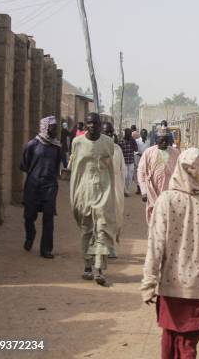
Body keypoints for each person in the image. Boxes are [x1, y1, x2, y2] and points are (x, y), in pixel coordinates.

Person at [141, 148, 199, 359]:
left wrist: (149, 283)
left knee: (169, 339)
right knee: (188, 344)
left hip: (170, 283)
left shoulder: (166, 200)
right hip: (196, 286)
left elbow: (155, 245)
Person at [69, 113, 117, 285]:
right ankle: (87, 266)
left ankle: (99, 269)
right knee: (87, 230)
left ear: (99, 124)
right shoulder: (77, 142)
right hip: (83, 191)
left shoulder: (108, 143)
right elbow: (74, 167)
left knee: (101, 229)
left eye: (95, 123)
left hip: (103, 190)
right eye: (89, 123)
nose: (92, 126)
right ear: (86, 125)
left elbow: (110, 166)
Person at [20, 116, 62, 258]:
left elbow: (57, 167)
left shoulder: (57, 147)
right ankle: (30, 235)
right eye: (52, 127)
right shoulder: (32, 145)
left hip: (49, 186)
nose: (55, 130)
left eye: (56, 127)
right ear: (45, 127)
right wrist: (36, 174)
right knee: (29, 216)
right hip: (33, 185)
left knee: (48, 218)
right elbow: (24, 165)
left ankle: (46, 249)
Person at [138, 128, 180, 224]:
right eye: (162, 140)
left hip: (170, 191)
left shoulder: (175, 152)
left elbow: (181, 172)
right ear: (156, 140)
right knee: (154, 216)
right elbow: (141, 171)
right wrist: (144, 191)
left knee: (170, 217)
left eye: (166, 140)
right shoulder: (148, 152)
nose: (164, 143)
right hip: (153, 190)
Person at [102, 122, 126, 259]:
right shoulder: (97, 148)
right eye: (107, 133)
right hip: (101, 187)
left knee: (116, 217)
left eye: (111, 133)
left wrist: (121, 189)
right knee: (102, 218)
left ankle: (111, 246)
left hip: (116, 188)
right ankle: (105, 247)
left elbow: (122, 171)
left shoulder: (117, 149)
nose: (110, 135)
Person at [119, 128, 138, 196]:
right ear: (125, 134)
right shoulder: (121, 141)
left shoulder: (132, 141)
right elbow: (119, 152)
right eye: (128, 134)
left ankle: (127, 191)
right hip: (124, 162)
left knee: (130, 178)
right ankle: (123, 190)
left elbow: (136, 149)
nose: (129, 135)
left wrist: (133, 141)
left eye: (130, 134)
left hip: (131, 162)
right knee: (124, 177)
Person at [135, 128, 151, 194]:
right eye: (143, 133)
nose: (144, 134)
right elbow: (134, 150)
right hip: (138, 158)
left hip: (146, 159)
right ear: (140, 134)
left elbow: (150, 149)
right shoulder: (136, 141)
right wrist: (139, 154)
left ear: (147, 134)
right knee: (138, 172)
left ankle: (145, 188)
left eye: (145, 133)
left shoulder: (149, 141)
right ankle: (138, 187)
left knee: (146, 172)